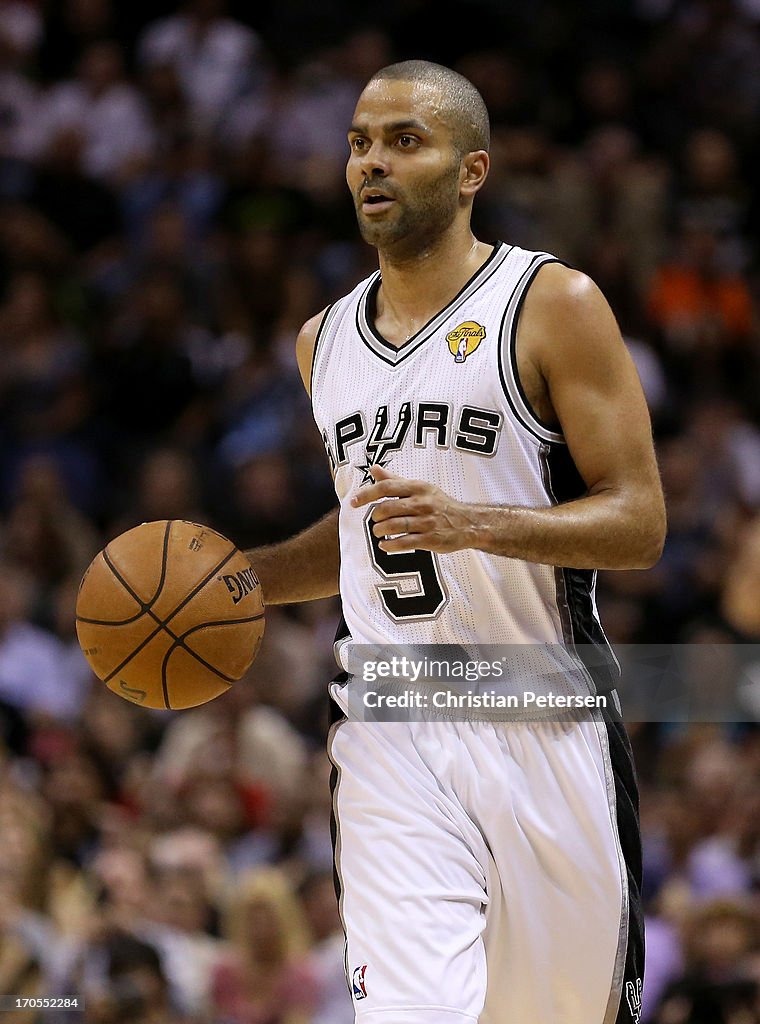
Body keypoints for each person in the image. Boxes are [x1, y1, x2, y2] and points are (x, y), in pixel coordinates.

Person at [247, 60, 666, 1024]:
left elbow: (639, 522)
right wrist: (247, 580)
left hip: (546, 716)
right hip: (394, 719)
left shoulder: (552, 303)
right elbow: (366, 530)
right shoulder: (324, 341)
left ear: (471, 170)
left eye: (405, 141)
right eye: (359, 143)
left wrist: (476, 523)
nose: (372, 164)